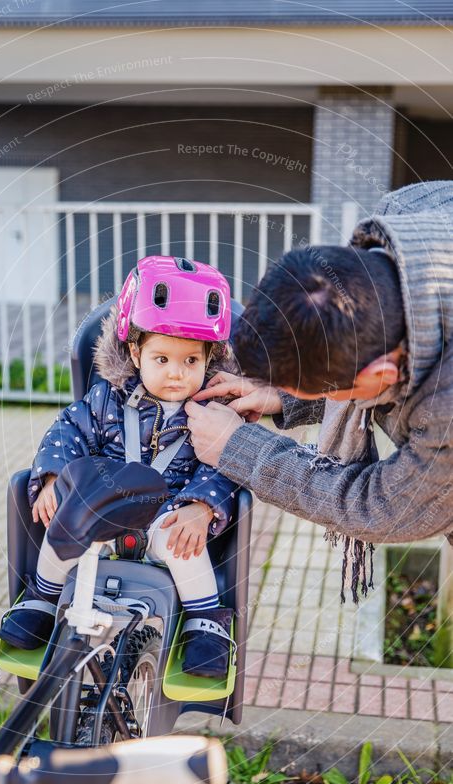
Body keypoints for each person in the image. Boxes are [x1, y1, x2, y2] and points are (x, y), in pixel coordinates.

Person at [186, 181, 453, 603]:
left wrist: (236, 446)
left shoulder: (446, 409)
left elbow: (384, 506)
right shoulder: (404, 213)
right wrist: (285, 394)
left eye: (332, 390)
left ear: (382, 371)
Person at [0, 255, 239, 678]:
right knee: (65, 527)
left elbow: (223, 464)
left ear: (209, 361)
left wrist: (200, 508)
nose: (177, 375)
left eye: (191, 362)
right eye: (162, 360)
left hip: (169, 514)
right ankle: (41, 597)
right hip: (104, 507)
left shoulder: (211, 413)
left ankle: (207, 623)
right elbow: (68, 429)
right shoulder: (107, 399)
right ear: (135, 351)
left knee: (186, 546)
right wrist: (55, 476)